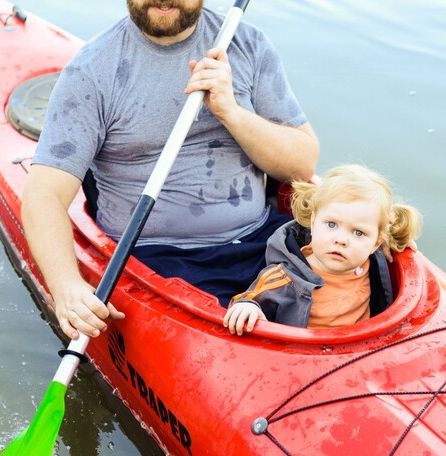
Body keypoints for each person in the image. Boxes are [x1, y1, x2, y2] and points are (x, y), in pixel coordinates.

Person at [21, 0, 319, 341]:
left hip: (262, 241)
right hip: (156, 260)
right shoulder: (90, 72)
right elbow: (44, 195)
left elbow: (303, 163)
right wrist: (68, 288)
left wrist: (231, 111)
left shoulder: (247, 44)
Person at [223, 164, 422, 335]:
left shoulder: (371, 258)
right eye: (332, 224)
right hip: (308, 358)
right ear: (313, 221)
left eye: (358, 233)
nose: (341, 240)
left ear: (376, 243)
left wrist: (398, 242)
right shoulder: (285, 278)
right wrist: (248, 306)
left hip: (358, 351)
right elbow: (246, 300)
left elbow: (385, 236)